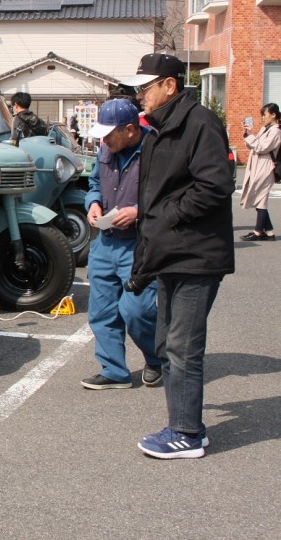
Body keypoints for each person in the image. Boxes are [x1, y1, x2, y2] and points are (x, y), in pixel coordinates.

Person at [122, 54, 234, 459]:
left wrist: (168, 217)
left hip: (195, 254)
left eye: (145, 88)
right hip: (172, 251)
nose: (140, 96)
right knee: (168, 341)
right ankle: (185, 425)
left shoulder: (199, 122)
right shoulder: (159, 128)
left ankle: (186, 432)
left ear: (169, 86)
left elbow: (216, 186)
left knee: (184, 346)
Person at [81, 98, 161, 390]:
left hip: (140, 244)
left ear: (129, 130)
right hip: (106, 240)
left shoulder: (157, 149)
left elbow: (173, 196)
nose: (103, 139)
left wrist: (139, 212)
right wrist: (93, 205)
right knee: (102, 311)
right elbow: (94, 185)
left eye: (108, 133)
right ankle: (114, 370)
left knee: (136, 309)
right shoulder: (106, 149)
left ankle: (157, 359)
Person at [238, 102, 281, 241]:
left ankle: (258, 232)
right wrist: (247, 133)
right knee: (259, 198)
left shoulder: (276, 131)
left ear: (273, 115)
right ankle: (269, 232)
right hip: (258, 164)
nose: (263, 118)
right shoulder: (265, 129)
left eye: (265, 114)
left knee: (260, 198)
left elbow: (262, 147)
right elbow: (254, 144)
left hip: (266, 166)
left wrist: (251, 137)